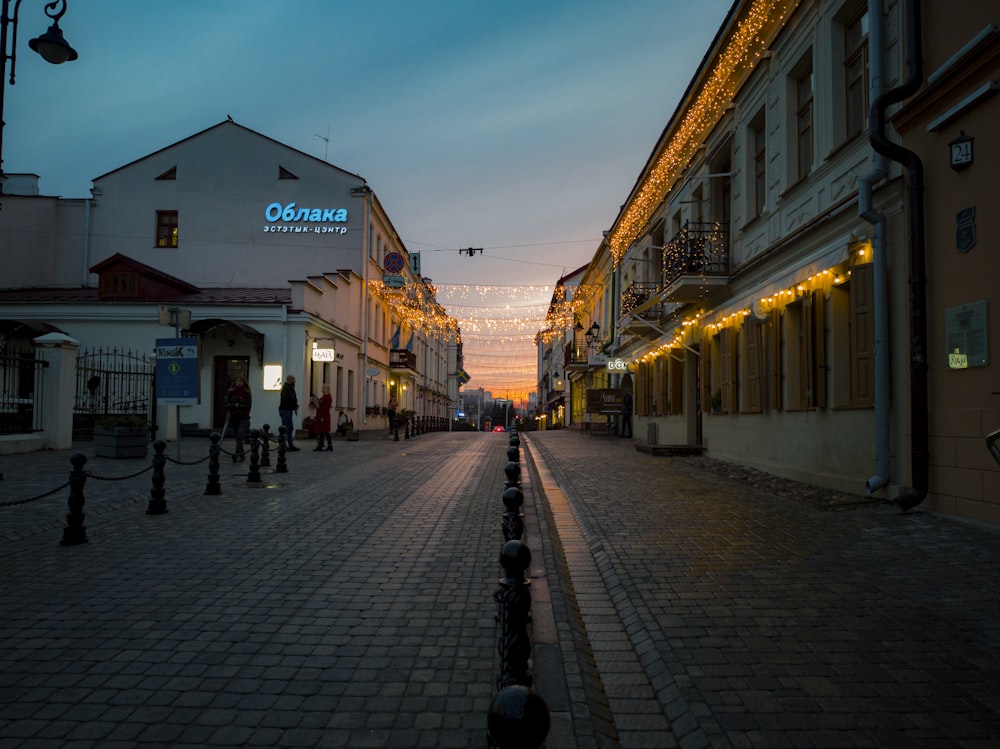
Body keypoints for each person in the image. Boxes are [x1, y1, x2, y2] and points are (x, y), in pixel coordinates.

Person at [224, 376, 252, 462]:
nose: (239, 383)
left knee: (240, 435)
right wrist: (233, 406)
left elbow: (248, 405)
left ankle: (237, 453)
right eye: (237, 381)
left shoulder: (247, 392)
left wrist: (238, 405)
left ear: (244, 382)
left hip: (243, 416)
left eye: (241, 381)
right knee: (237, 436)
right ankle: (241, 454)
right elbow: (227, 403)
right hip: (234, 416)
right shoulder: (231, 391)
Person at [279, 374, 300, 451]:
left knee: (289, 428)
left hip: (288, 410)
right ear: (289, 380)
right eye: (293, 379)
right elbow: (287, 400)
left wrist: (294, 406)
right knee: (286, 428)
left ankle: (290, 445)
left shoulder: (289, 388)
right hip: (285, 410)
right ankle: (284, 445)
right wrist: (294, 406)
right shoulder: (286, 388)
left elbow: (292, 399)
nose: (294, 381)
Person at [313, 385, 333, 451]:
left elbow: (326, 407)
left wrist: (323, 417)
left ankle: (329, 445)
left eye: (323, 388)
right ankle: (320, 445)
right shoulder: (324, 396)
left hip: (324, 415)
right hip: (321, 415)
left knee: (325, 431)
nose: (322, 389)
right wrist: (315, 401)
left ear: (326, 389)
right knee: (322, 431)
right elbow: (319, 406)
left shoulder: (328, 397)